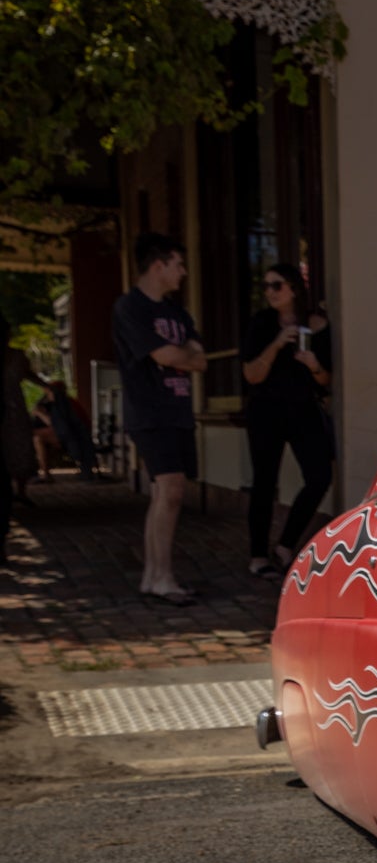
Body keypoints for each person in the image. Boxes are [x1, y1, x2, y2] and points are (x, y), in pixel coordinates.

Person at [111, 231, 207, 604]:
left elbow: (198, 359)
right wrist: (180, 353)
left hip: (179, 411)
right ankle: (163, 577)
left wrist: (179, 353)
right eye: (178, 264)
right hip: (149, 412)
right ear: (158, 265)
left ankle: (154, 576)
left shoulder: (178, 313)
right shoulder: (130, 307)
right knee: (171, 489)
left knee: (164, 493)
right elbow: (168, 357)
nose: (183, 272)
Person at [239, 263, 334, 577]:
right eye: (265, 286)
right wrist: (277, 343)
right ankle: (258, 557)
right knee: (265, 481)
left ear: (294, 288)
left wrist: (313, 364)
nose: (270, 292)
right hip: (265, 410)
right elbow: (252, 374)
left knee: (319, 476)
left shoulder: (318, 325)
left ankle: (285, 545)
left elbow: (325, 380)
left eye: (276, 285)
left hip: (303, 409)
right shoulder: (261, 324)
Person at [1, 319, 37, 564]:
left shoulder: (16, 356)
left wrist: (47, 387)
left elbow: (29, 374)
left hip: (12, 412)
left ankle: (21, 490)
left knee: (19, 451)